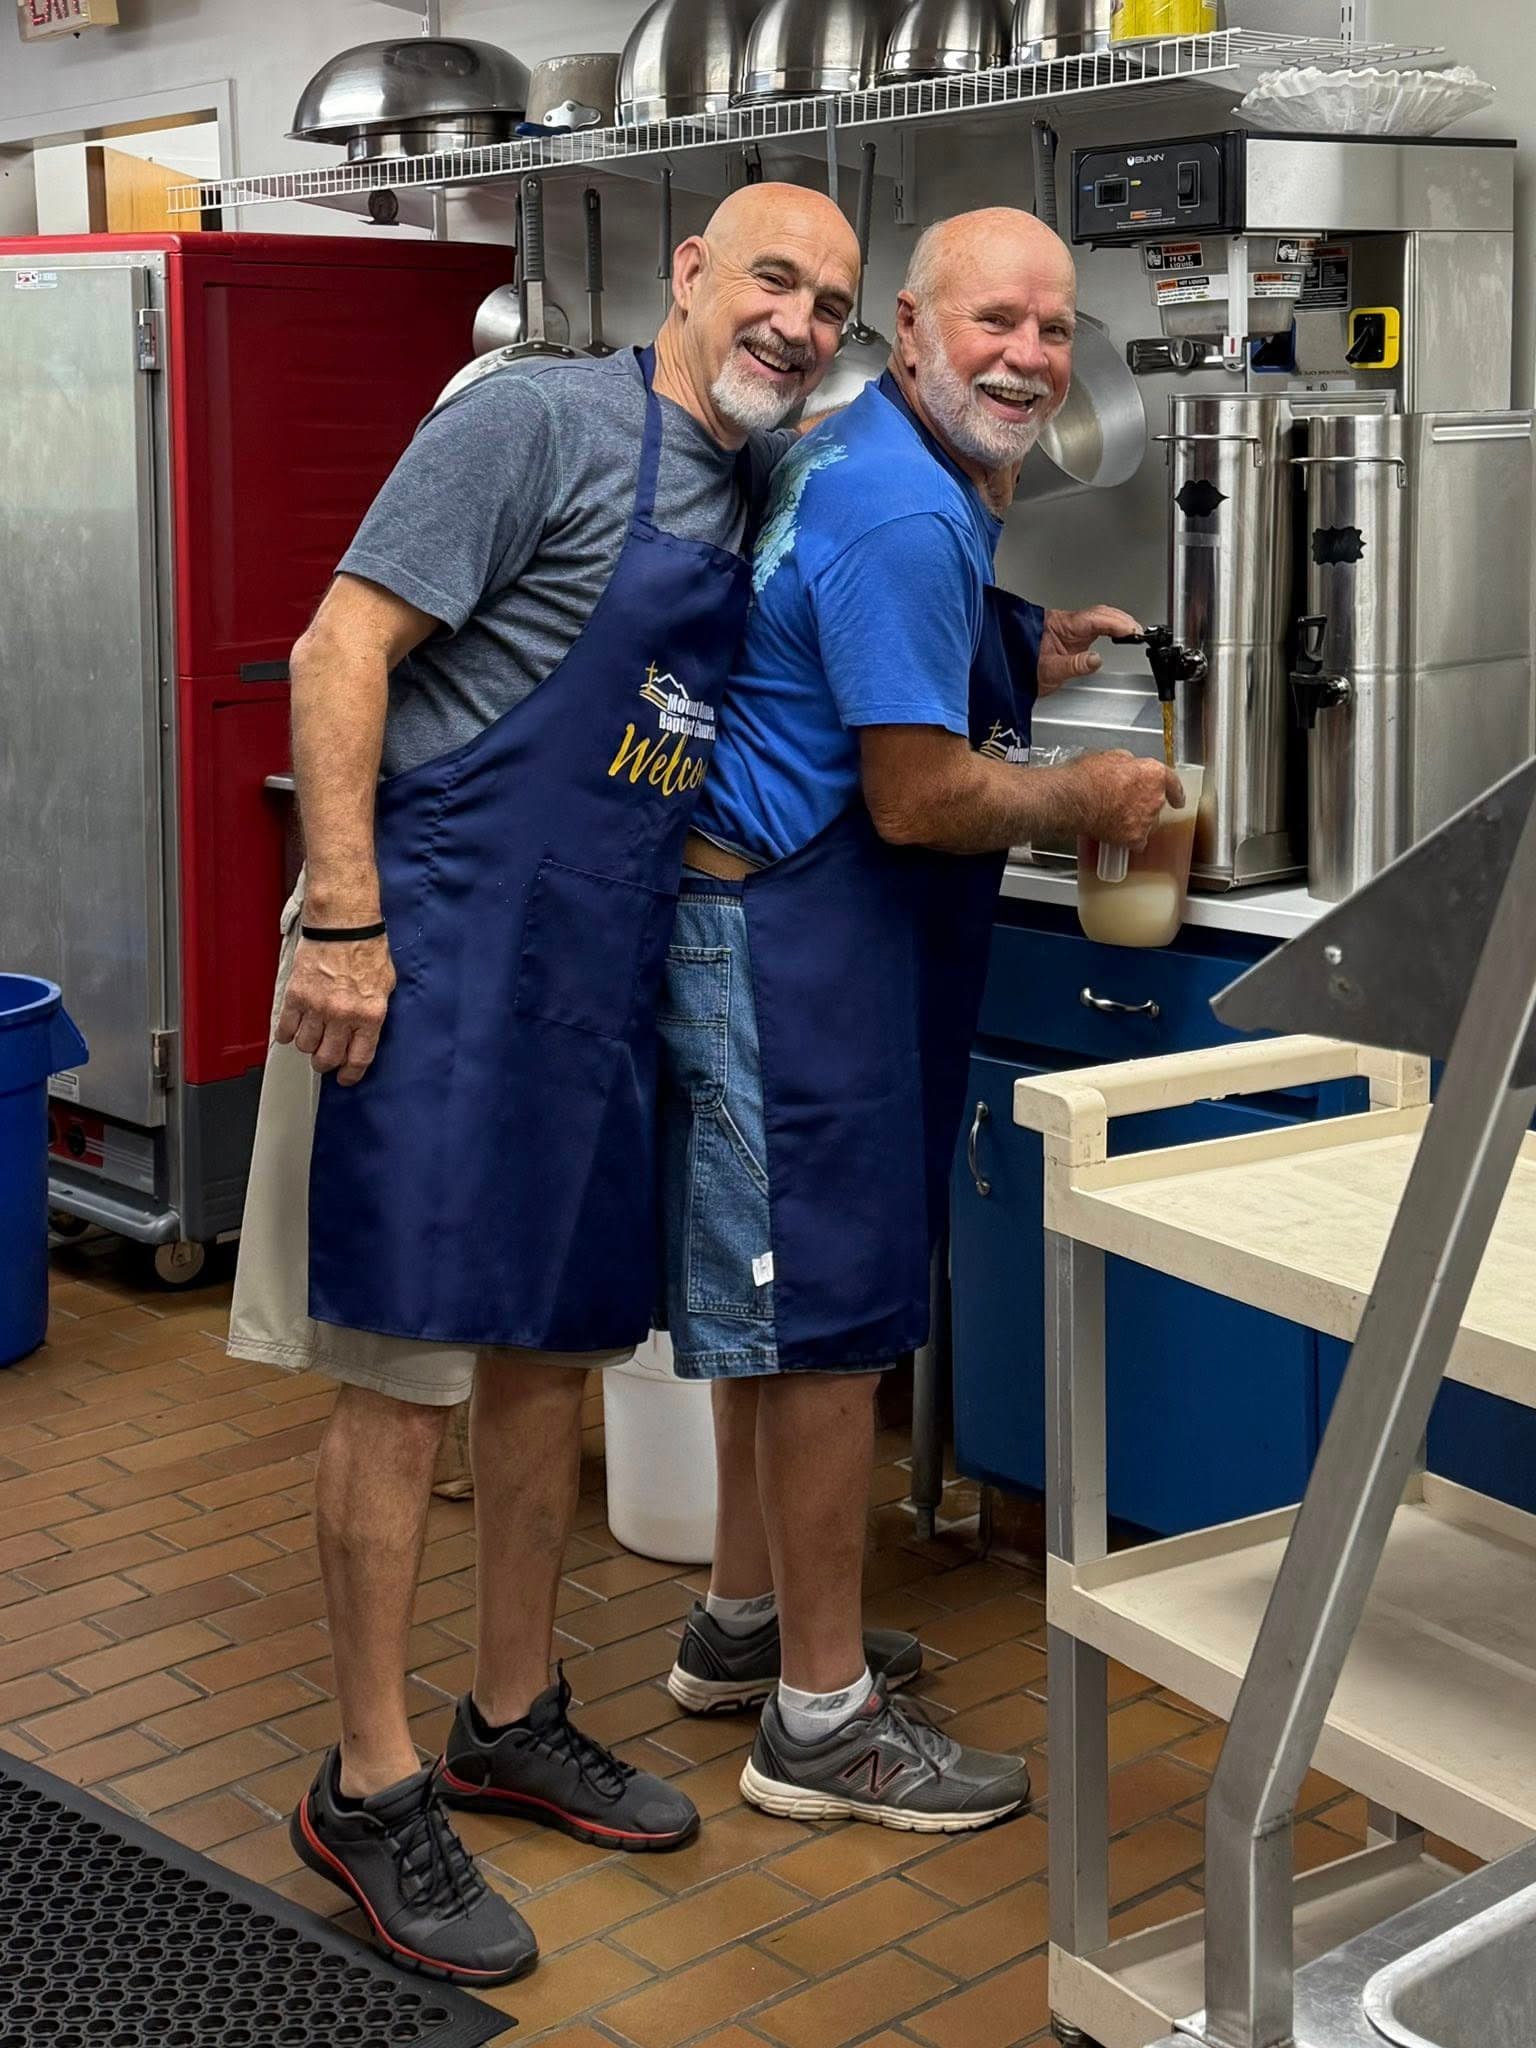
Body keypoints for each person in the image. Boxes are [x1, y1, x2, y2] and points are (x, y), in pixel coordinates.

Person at [225, 184, 862, 1986]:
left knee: (547, 1359)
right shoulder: (533, 421)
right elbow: (341, 646)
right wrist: (341, 917)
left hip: (594, 978)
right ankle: (366, 1785)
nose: (798, 322)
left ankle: (511, 1714)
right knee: (402, 1374)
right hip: (425, 958)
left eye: (829, 301)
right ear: (687, 275)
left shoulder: (745, 485)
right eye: (770, 279)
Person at [659, 207, 1181, 1832]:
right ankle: (820, 1721)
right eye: (994, 325)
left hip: (767, 922)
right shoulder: (904, 505)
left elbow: (841, 647)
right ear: (910, 327)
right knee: (829, 1329)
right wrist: (1088, 785)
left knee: (779, 1301)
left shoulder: (867, 455)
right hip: (795, 939)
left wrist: (1026, 636)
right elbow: (916, 791)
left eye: (1052, 327)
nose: (1029, 355)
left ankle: (749, 1623)